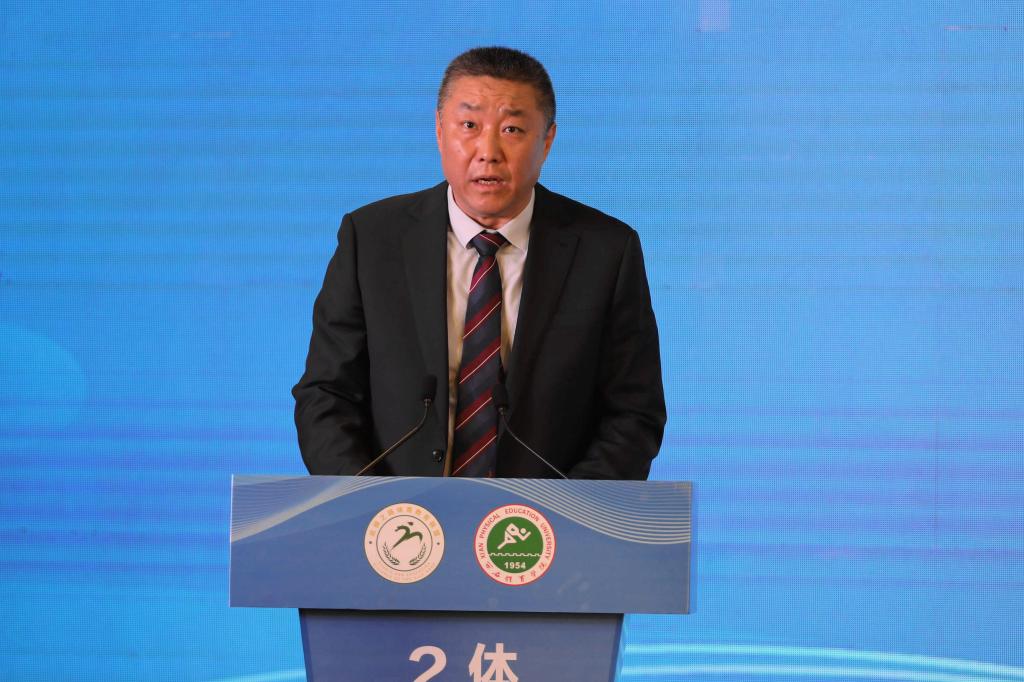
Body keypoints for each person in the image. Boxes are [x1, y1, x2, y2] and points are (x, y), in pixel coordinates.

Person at [293, 47, 665, 479]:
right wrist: (375, 505)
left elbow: (633, 413)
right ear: (439, 130)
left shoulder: (606, 251)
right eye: (469, 125)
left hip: (542, 519)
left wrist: (565, 510)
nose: (488, 151)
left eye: (512, 129)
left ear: (547, 140)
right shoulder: (372, 239)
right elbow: (326, 395)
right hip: (398, 516)